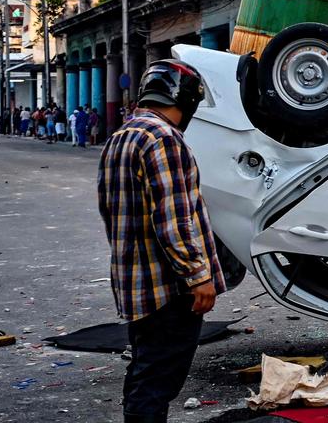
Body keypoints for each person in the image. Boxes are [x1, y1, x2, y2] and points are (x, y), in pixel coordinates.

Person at [97, 60, 223, 423]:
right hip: (168, 288)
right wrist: (198, 276)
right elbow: (173, 217)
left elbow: (112, 211)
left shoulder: (122, 136)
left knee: (145, 372)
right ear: (187, 101)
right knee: (156, 382)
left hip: (136, 284)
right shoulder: (163, 138)